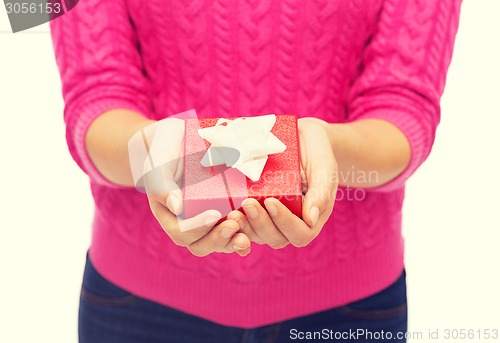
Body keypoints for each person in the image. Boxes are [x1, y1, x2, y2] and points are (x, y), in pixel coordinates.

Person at [50, 0, 461, 342]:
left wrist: (322, 149)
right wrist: (155, 157)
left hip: (348, 311)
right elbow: (92, 97)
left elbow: (406, 109)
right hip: (136, 307)